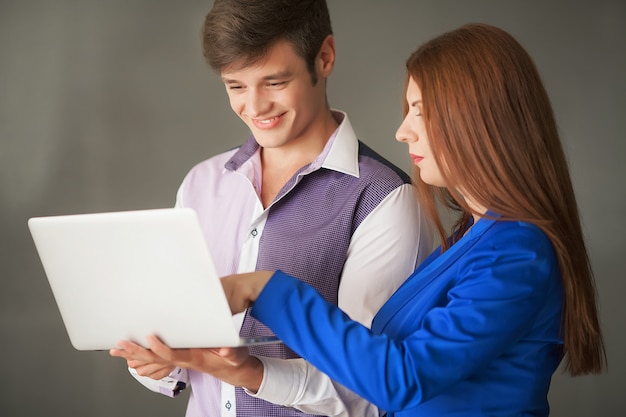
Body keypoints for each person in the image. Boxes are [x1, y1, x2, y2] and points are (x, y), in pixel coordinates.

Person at [141, 23, 608, 416]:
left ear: (479, 120)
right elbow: (379, 372)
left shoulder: (516, 252)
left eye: (422, 112)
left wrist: (264, 289)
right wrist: (245, 371)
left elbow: (398, 378)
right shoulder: (474, 236)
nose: (404, 130)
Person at [109, 1, 433, 416]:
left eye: (275, 82)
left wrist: (254, 373)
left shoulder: (383, 198)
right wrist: (155, 362)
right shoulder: (201, 184)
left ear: (325, 57)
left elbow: (372, 390)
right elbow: (181, 361)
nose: (255, 107)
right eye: (236, 86)